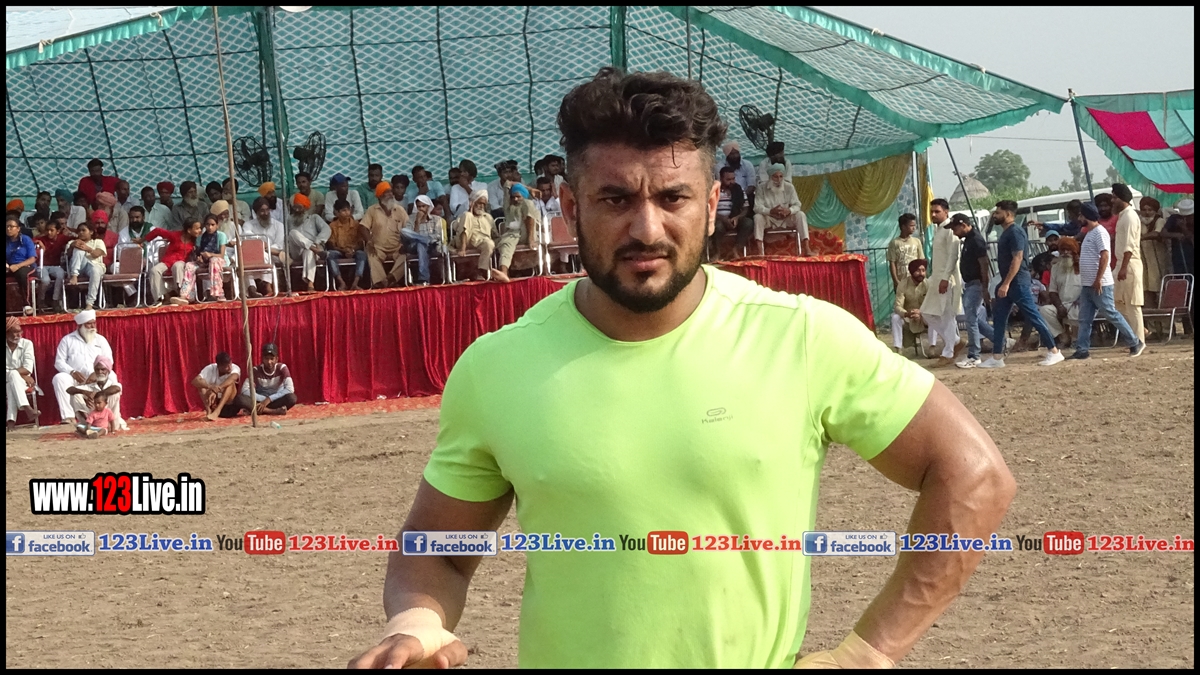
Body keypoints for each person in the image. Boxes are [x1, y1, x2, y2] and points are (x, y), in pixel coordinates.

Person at [348, 66, 1015, 671]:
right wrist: (416, 622)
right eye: (615, 200)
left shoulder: (801, 336)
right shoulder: (498, 367)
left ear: (712, 201)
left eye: (673, 198)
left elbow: (973, 475)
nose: (647, 228)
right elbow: (435, 550)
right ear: (571, 207)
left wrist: (867, 653)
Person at [977, 200, 1063, 368]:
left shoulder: (1015, 232)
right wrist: (1004, 283)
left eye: (998, 212)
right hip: (1008, 282)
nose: (995, 215)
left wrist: (1006, 283)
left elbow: (1017, 258)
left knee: (1033, 316)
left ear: (1008, 214)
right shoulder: (1006, 232)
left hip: (1017, 282)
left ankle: (1054, 351)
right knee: (999, 318)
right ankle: (997, 357)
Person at [1069, 202, 1144, 359]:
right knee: (1084, 319)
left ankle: (1134, 341)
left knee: (1110, 313)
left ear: (1086, 216)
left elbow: (1105, 256)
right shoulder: (1090, 233)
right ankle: (1082, 349)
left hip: (1100, 283)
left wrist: (1098, 279)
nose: (1079, 218)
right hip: (1088, 284)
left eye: (1081, 215)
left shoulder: (1099, 232)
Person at [948, 213, 1007, 368]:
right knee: (972, 317)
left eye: (954, 228)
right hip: (972, 284)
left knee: (971, 318)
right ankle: (1000, 340)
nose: (953, 232)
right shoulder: (969, 239)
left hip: (976, 283)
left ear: (963, 225)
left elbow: (984, 264)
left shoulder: (976, 240)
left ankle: (974, 355)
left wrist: (984, 287)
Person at [51, 310, 118, 425]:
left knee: (111, 375)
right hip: (76, 379)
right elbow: (59, 362)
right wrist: (72, 372)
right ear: (80, 325)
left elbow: (109, 361)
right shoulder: (67, 340)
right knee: (59, 378)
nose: (92, 326)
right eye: (89, 324)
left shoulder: (100, 340)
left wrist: (96, 374)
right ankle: (68, 417)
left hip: (96, 378)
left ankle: (109, 415)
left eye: (94, 323)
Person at [918, 201, 964, 367]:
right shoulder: (938, 230)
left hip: (948, 279)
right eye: (932, 212)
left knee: (947, 316)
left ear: (946, 212)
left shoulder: (950, 230)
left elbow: (953, 256)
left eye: (937, 211)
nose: (933, 215)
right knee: (926, 313)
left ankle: (948, 352)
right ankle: (955, 341)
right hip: (937, 278)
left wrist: (945, 278)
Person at [1110, 184, 1144, 344]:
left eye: (1114, 197)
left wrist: (1124, 267)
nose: (1112, 201)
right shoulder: (1122, 216)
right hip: (1121, 264)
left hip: (1129, 264)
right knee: (1115, 302)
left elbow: (1129, 246)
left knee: (1132, 304)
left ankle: (1139, 341)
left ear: (1121, 198)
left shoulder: (1130, 216)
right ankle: (1140, 330)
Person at [752, 163, 809, 256]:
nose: (778, 180)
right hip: (769, 219)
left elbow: (797, 205)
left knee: (801, 215)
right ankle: (760, 253)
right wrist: (770, 211)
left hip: (786, 218)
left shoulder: (789, 187)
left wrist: (789, 210)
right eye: (775, 177)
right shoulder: (762, 187)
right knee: (757, 217)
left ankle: (807, 249)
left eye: (781, 176)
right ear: (770, 177)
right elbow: (757, 207)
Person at [143, 218, 202, 306]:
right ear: (189, 230)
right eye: (197, 228)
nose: (200, 230)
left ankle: (180, 295)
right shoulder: (175, 235)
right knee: (154, 270)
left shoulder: (197, 240)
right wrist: (142, 240)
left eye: (200, 228)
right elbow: (158, 231)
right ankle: (162, 297)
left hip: (182, 264)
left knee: (177, 265)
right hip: (167, 262)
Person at [492, 182, 541, 283]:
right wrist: (529, 188)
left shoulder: (527, 203)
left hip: (527, 233)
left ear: (524, 196)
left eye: (518, 197)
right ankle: (504, 273)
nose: (515, 199)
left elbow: (530, 219)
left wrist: (531, 239)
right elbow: (507, 183)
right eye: (513, 197)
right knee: (506, 244)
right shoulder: (509, 206)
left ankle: (545, 271)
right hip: (512, 234)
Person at [362, 184, 408, 288]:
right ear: (379, 196)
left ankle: (389, 279)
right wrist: (369, 241)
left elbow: (408, 228)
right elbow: (363, 227)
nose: (391, 194)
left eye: (391, 192)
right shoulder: (372, 210)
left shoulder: (400, 210)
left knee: (406, 255)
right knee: (371, 253)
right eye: (387, 192)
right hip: (378, 247)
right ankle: (381, 282)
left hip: (397, 247)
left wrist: (405, 244)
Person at [1039, 237, 1082, 348]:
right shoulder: (1055, 268)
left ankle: (1076, 339)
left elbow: (1088, 289)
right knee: (1044, 311)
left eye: (1069, 250)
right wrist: (1059, 306)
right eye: (1063, 250)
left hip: (1079, 304)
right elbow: (1052, 291)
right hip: (1062, 304)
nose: (1066, 252)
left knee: (1077, 312)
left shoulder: (1083, 266)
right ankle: (1064, 337)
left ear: (1074, 251)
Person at [64, 354, 122, 436]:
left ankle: (108, 427)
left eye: (103, 369)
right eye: (97, 370)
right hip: (93, 422)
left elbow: (117, 388)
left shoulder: (113, 384)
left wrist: (96, 395)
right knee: (76, 395)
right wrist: (86, 393)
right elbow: (69, 390)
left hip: (110, 424)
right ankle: (88, 426)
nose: (100, 372)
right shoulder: (90, 386)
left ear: (108, 371)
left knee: (114, 394)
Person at [243, 196, 288, 296]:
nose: (266, 213)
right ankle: (252, 288)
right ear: (256, 213)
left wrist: (263, 247)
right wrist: (261, 246)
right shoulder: (248, 224)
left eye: (267, 210)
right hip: (254, 255)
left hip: (275, 255)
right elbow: (248, 237)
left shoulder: (279, 225)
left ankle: (267, 286)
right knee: (244, 258)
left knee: (264, 255)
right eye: (262, 211)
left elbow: (279, 246)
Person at [286, 193, 331, 292]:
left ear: (305, 207)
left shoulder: (314, 218)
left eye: (299, 207)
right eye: (295, 207)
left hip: (313, 248)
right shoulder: (288, 219)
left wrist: (317, 241)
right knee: (293, 233)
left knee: (309, 251)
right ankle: (314, 249)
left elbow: (327, 229)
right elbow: (286, 236)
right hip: (296, 251)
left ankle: (310, 284)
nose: (297, 210)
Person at [238, 343, 296, 416]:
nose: (269, 362)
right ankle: (273, 411)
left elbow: (290, 389)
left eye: (272, 359)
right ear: (262, 359)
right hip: (259, 401)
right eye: (266, 359)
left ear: (276, 359)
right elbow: (244, 390)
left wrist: (269, 399)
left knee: (292, 398)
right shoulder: (256, 370)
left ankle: (259, 410)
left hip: (275, 400)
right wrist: (263, 399)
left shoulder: (282, 368)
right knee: (240, 399)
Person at [451, 190, 496, 281]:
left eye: (484, 204)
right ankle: (463, 248)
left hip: (480, 242)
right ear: (472, 202)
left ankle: (481, 271)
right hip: (464, 241)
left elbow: (495, 234)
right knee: (467, 215)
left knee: (489, 243)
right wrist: (470, 213)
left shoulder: (488, 217)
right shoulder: (464, 215)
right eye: (479, 203)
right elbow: (455, 228)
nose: (481, 206)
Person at [710, 165, 753, 260]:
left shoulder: (739, 189)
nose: (732, 182)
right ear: (721, 178)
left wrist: (737, 217)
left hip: (735, 219)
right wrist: (723, 219)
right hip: (719, 219)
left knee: (748, 223)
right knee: (718, 227)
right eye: (728, 179)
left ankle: (736, 250)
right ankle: (717, 253)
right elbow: (709, 209)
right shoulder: (714, 191)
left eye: (733, 179)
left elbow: (745, 208)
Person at [326, 198, 369, 291]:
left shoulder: (356, 224)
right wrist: (343, 251)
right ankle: (341, 282)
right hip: (339, 251)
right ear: (337, 213)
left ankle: (355, 283)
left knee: (362, 254)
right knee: (329, 254)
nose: (347, 213)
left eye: (348, 210)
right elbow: (331, 245)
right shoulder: (332, 226)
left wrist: (353, 250)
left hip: (354, 250)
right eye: (343, 211)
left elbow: (361, 243)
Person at [1137, 196, 1170, 309]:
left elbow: (1156, 233)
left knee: (1160, 288)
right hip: (1143, 261)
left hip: (1158, 261)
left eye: (1150, 210)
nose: (1147, 213)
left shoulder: (1159, 221)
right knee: (1146, 290)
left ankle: (1164, 318)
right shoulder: (1138, 222)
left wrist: (1139, 238)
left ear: (1155, 211)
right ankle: (1151, 318)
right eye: (1144, 209)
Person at [891, 258, 929, 357]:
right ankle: (898, 349)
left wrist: (921, 312)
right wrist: (907, 314)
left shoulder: (928, 284)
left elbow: (932, 304)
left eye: (923, 270)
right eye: (918, 271)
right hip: (908, 317)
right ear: (912, 272)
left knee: (935, 316)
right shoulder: (903, 284)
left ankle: (932, 348)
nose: (921, 273)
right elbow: (898, 306)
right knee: (895, 318)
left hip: (924, 317)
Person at [404, 195, 444, 285]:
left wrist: (424, 240)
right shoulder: (410, 219)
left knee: (421, 244)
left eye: (423, 206)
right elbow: (410, 238)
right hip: (413, 246)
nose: (421, 209)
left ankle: (424, 278)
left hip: (432, 246)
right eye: (419, 206)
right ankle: (424, 240)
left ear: (428, 207)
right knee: (404, 231)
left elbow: (438, 236)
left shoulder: (436, 219)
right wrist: (417, 222)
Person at [66, 221, 106, 310]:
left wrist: (88, 249)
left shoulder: (98, 242)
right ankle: (74, 275)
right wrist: (72, 246)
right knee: (78, 249)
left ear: (91, 232)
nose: (81, 233)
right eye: (79, 231)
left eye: (83, 230)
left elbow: (97, 254)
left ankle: (89, 304)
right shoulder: (72, 242)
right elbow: (67, 255)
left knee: (95, 270)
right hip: (79, 267)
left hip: (95, 266)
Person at [6, 318, 37, 429]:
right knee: (12, 377)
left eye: (20, 331)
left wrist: (15, 373)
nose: (18, 335)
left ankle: (11, 421)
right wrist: (21, 374)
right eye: (14, 332)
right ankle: (27, 407)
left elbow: (28, 368)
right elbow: (23, 370)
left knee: (11, 382)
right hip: (20, 379)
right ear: (6, 333)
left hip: (23, 382)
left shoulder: (27, 344)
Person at [192, 351, 241, 420]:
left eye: (230, 364)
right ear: (219, 366)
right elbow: (195, 381)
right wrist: (210, 387)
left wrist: (217, 390)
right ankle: (208, 410)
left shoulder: (235, 368)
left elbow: (233, 377)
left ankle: (217, 411)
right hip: (214, 403)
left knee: (231, 384)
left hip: (229, 406)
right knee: (201, 384)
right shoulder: (210, 368)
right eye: (226, 366)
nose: (230, 368)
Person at [35, 218, 70, 312]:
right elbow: (31, 241)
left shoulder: (62, 238)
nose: (49, 232)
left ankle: (55, 300)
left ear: (58, 231)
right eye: (47, 230)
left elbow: (74, 239)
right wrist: (38, 243)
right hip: (41, 265)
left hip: (56, 266)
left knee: (60, 275)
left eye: (52, 230)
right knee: (45, 280)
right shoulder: (42, 239)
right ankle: (41, 300)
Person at [6, 215, 38, 314]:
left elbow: (32, 258)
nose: (8, 229)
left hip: (26, 266)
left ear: (18, 228)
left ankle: (26, 304)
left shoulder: (25, 239)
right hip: (9, 267)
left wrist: (18, 266)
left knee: (22, 274)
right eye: (7, 226)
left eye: (11, 226)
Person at [194, 214, 229, 302]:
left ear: (217, 225)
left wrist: (210, 255)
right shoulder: (200, 238)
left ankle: (218, 293)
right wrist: (199, 259)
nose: (210, 227)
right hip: (204, 262)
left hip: (220, 261)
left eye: (213, 225)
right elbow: (198, 253)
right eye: (207, 224)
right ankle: (186, 295)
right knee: (189, 266)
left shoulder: (221, 235)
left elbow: (221, 255)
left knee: (213, 261)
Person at [886, 212, 924, 289]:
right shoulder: (894, 243)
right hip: (901, 282)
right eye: (911, 226)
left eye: (914, 226)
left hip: (915, 282)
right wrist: (896, 281)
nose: (914, 228)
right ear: (903, 227)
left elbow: (921, 261)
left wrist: (921, 278)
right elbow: (892, 263)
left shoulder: (917, 241)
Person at [714, 140, 757, 206]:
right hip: (726, 196)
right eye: (732, 154)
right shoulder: (720, 167)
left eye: (737, 153)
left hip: (746, 196)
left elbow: (751, 185)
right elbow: (721, 185)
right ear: (727, 155)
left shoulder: (748, 165)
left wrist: (741, 196)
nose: (735, 156)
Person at [1161, 198, 1194, 276]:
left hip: (1191, 254)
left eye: (1189, 216)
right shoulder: (1174, 218)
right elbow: (1163, 233)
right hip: (1178, 254)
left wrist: (1184, 229)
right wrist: (1175, 235)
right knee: (1180, 276)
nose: (1186, 218)